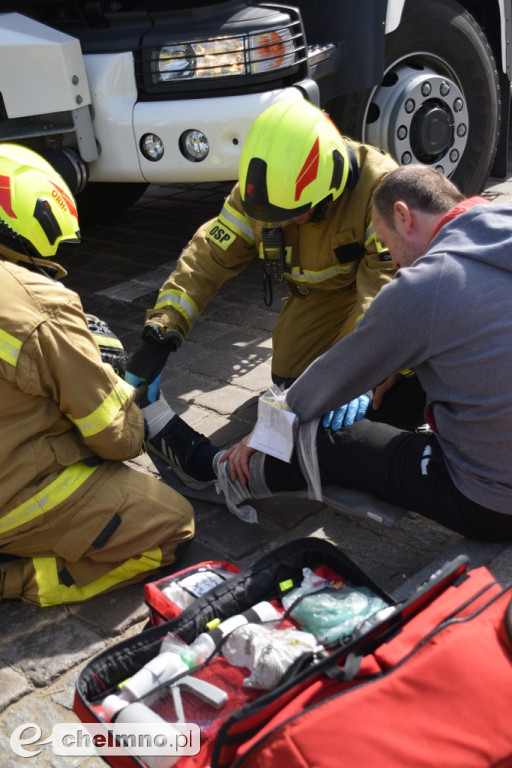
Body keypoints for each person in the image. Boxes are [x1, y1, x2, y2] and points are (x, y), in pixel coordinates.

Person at [158, 165, 512, 542]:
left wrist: (264, 430)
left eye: (387, 243)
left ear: (403, 216)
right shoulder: (501, 221)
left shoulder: (424, 285)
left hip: (490, 501)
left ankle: (220, 473)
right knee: (393, 383)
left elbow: (333, 377)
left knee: (321, 432)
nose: (394, 262)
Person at [125, 97, 397, 461]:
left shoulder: (379, 189)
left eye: (298, 212)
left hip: (374, 297)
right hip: (322, 295)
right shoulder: (260, 195)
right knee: (289, 377)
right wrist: (160, 335)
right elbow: (206, 260)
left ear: (331, 184)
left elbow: (387, 286)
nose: (288, 221)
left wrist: (364, 369)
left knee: (384, 383)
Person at [0, 144, 194, 606]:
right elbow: (116, 439)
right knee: (172, 525)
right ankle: (15, 578)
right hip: (11, 501)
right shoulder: (37, 301)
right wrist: (111, 377)